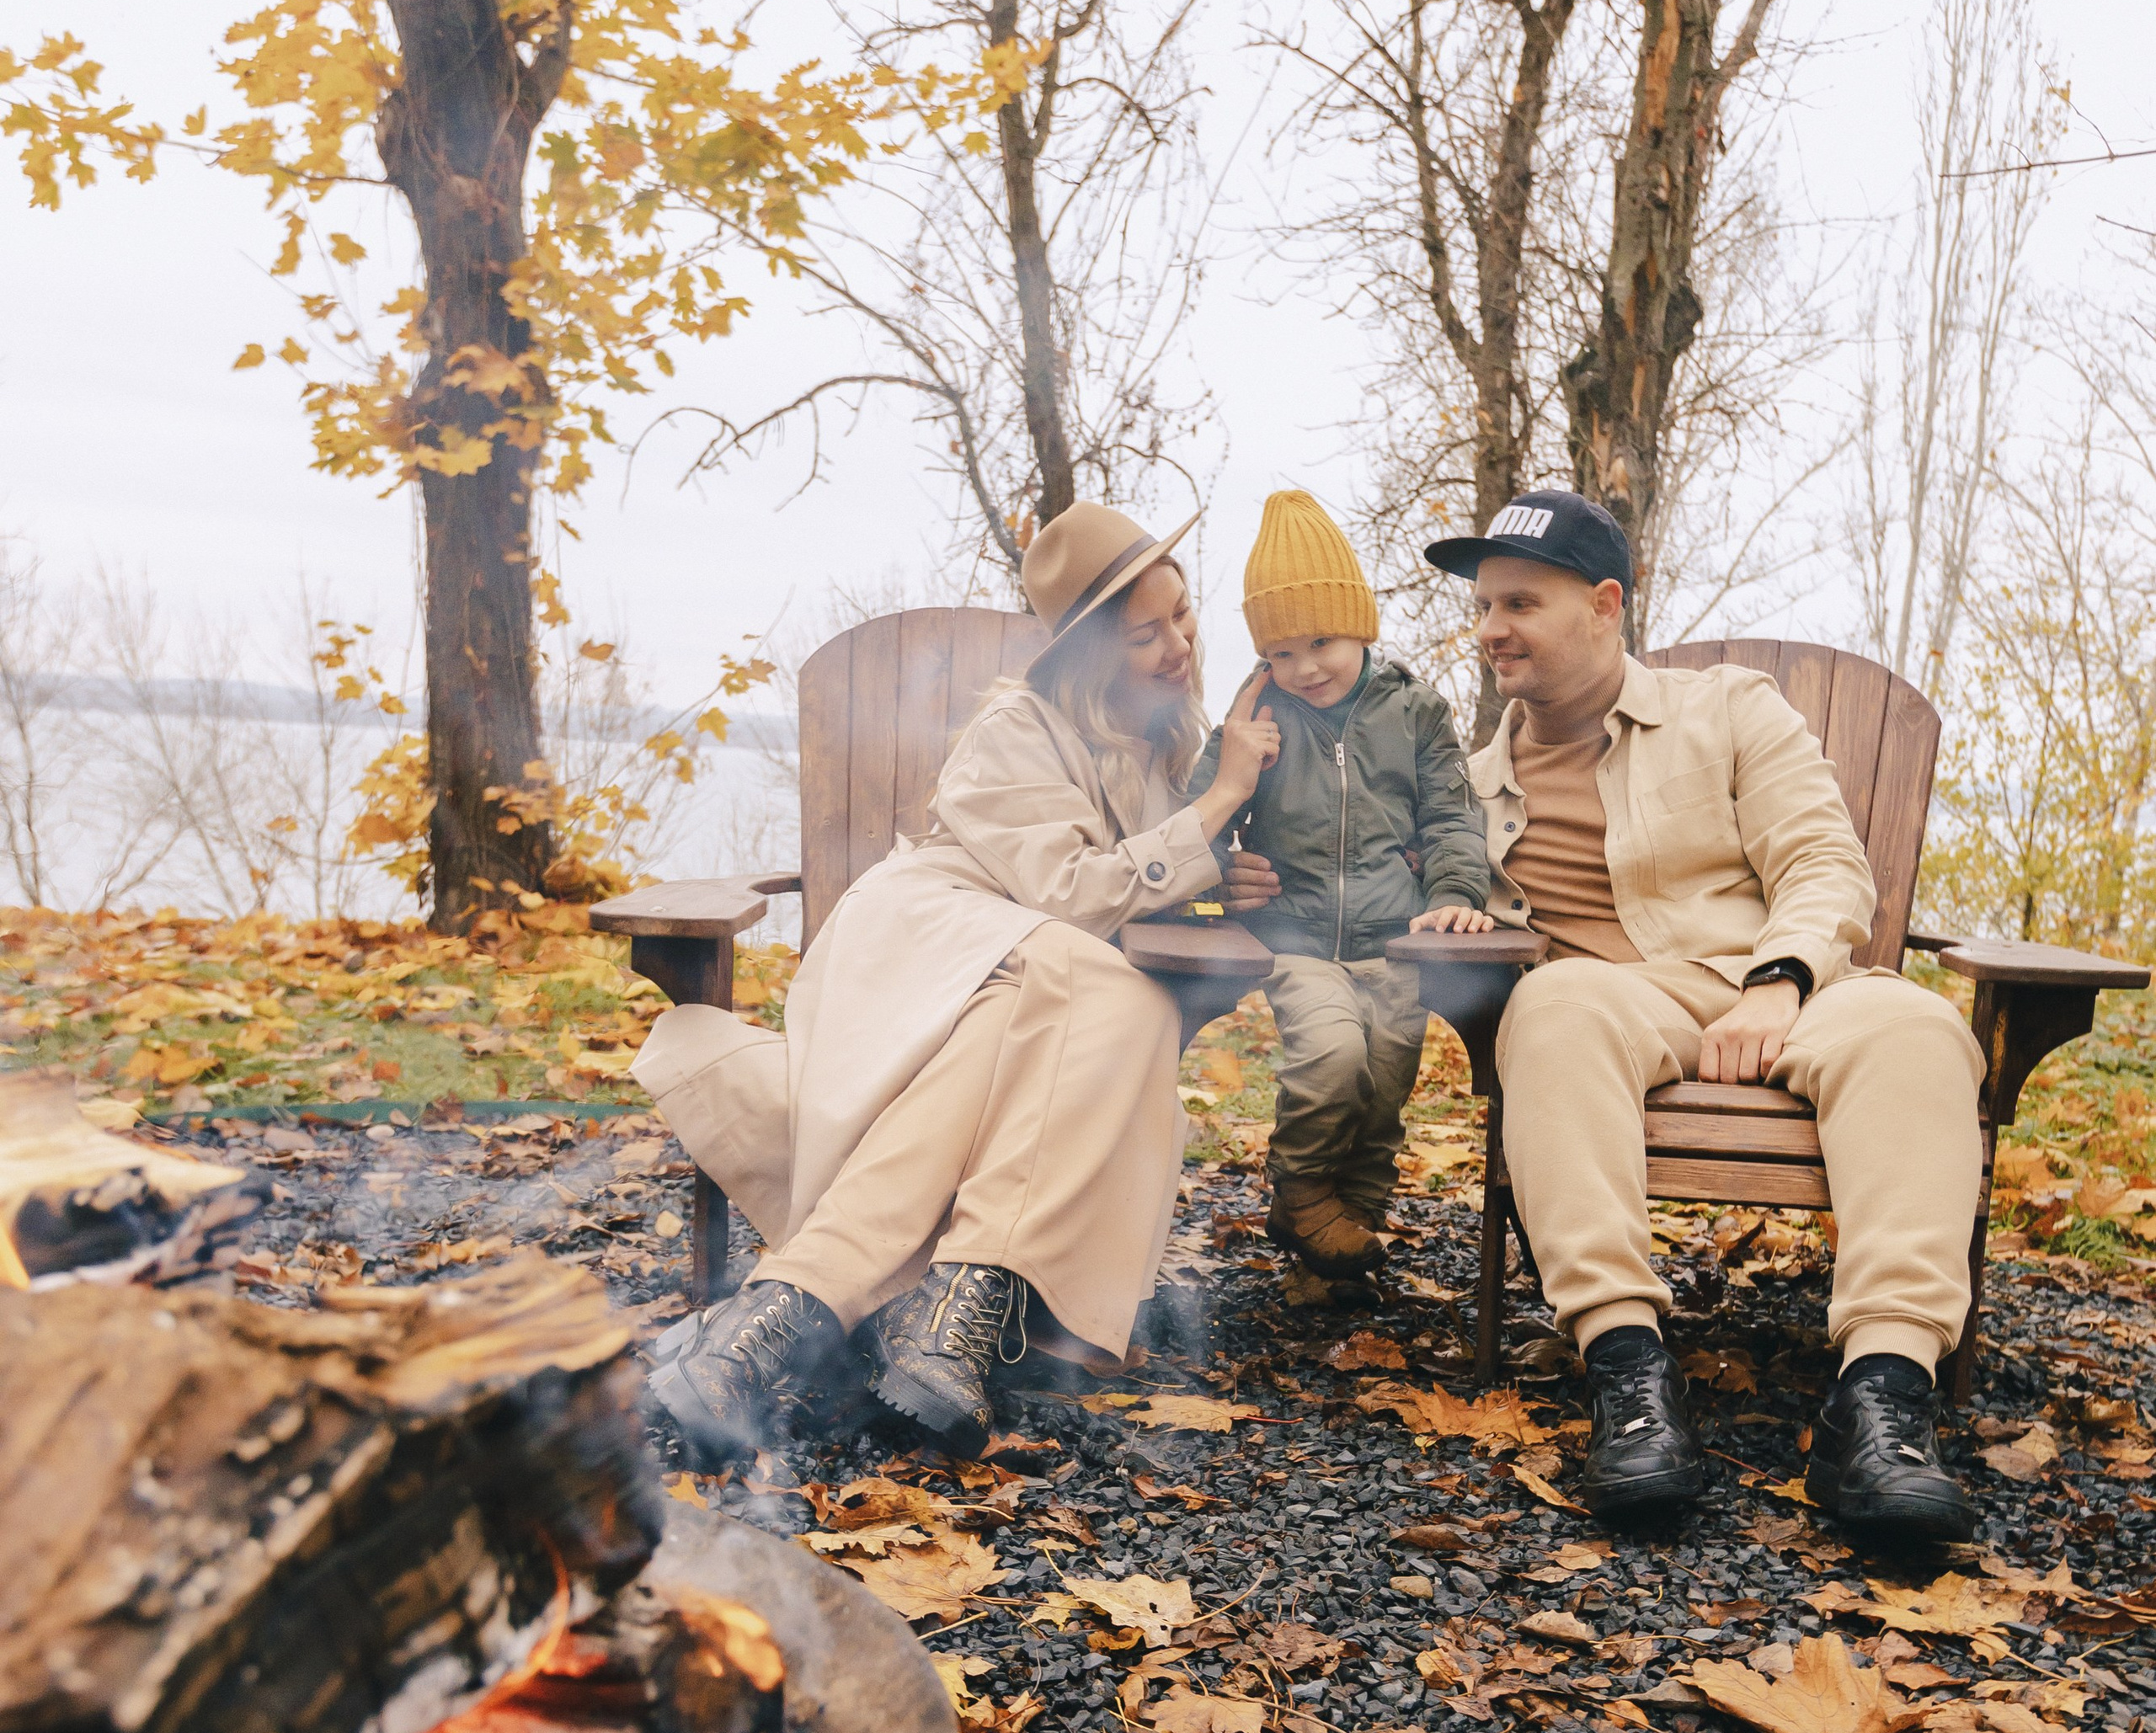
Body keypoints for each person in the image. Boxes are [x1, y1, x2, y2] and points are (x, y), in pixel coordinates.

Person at [1228, 485, 1986, 1536]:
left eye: (1519, 604)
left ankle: (1884, 1400)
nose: (1490, 630)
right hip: (1613, 1007)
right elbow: (1355, 878)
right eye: (1483, 607)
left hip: (1787, 984)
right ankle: (1628, 1376)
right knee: (1551, 1003)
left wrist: (1778, 980)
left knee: (1921, 1030)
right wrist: (1246, 876)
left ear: (1604, 604)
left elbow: (1821, 861)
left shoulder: (1729, 709)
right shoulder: (1463, 788)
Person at [637, 502, 1279, 1464]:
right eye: (1144, 634)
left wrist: (1221, 872)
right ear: (1088, 654)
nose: (1177, 646)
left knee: (1071, 1002)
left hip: (1025, 983)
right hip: (925, 942)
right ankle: (953, 1313)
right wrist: (1221, 801)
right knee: (1109, 989)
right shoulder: (1018, 726)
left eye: (1180, 616)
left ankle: (776, 1321)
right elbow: (1072, 896)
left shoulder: (1157, 743)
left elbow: (1129, 887)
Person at [1189, 490, 1494, 1277]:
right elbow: (1193, 829)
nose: (1305, 668)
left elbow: (1452, 818)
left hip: (1398, 941)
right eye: (1281, 652)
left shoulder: (1416, 712)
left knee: (1383, 1093)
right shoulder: (1256, 720)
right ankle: (1299, 1193)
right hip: (1295, 940)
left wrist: (1454, 895)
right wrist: (1222, 868)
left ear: (1360, 624)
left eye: (1321, 641)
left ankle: (1337, 1260)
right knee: (1330, 1062)